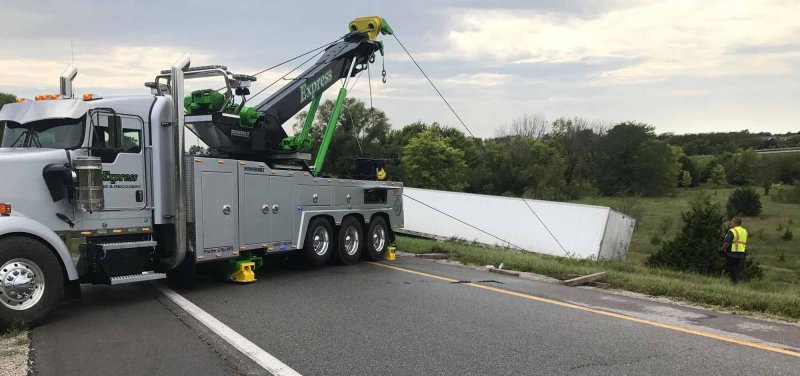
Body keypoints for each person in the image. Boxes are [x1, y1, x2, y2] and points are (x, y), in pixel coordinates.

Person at [721, 216, 747, 284]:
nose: (731, 222)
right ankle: (735, 283)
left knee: (732, 269)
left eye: (732, 221)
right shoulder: (744, 231)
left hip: (732, 253)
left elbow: (727, 242)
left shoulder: (733, 231)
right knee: (736, 268)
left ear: (735, 222)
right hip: (740, 253)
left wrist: (722, 249)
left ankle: (734, 283)